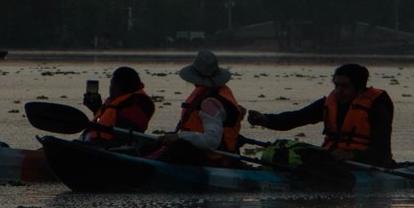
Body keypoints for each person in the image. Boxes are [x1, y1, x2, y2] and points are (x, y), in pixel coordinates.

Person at [248, 62, 395, 167]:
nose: (338, 90)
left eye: (344, 86)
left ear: (359, 88)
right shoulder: (329, 104)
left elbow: (382, 149)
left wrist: (351, 155)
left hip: (365, 163)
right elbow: (295, 118)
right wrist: (265, 119)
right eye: (336, 85)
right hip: (331, 159)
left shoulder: (376, 107)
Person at [153, 50, 245, 164]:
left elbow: (211, 141)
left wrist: (180, 137)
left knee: (178, 147)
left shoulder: (210, 103)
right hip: (207, 153)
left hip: (213, 158)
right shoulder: (214, 93)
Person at [81, 66, 156, 145]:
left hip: (108, 149)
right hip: (96, 144)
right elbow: (109, 122)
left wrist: (95, 145)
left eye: (112, 84)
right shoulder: (122, 103)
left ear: (118, 87)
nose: (110, 88)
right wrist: (96, 109)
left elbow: (123, 136)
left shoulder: (136, 104)